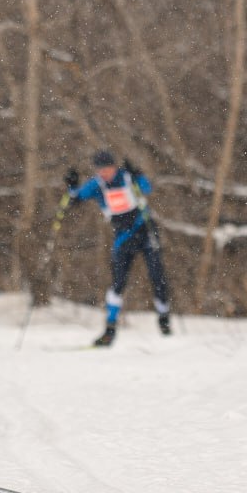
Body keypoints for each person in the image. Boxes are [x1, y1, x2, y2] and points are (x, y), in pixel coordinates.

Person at [65, 149, 172, 347]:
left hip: (145, 231)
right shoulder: (97, 185)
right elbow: (75, 199)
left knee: (157, 276)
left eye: (107, 169)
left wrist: (138, 173)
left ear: (114, 167)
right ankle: (110, 329)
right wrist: (71, 185)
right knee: (118, 282)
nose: (104, 173)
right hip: (123, 237)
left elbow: (146, 189)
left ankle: (164, 319)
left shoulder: (127, 177)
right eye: (100, 170)